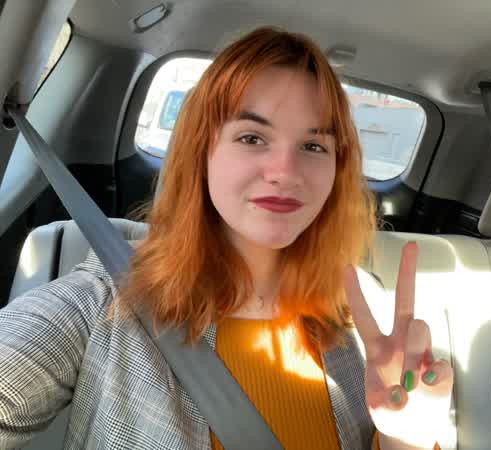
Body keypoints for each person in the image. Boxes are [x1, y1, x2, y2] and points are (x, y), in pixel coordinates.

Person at [0, 27, 453, 449]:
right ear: (202, 152)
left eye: (314, 145)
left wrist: (404, 437)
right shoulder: (106, 297)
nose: (285, 172)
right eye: (252, 137)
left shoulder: (357, 318)